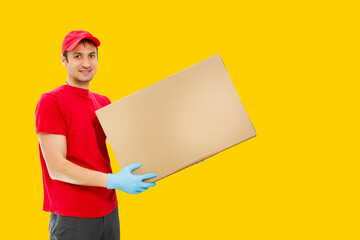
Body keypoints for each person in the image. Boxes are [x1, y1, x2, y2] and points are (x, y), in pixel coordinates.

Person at [35, 30, 158, 240]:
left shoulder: (103, 102)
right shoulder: (51, 101)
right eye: (77, 56)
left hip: (109, 211)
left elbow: (133, 144)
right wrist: (113, 181)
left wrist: (180, 153)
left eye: (91, 55)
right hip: (73, 216)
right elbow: (57, 167)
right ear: (63, 60)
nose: (86, 63)